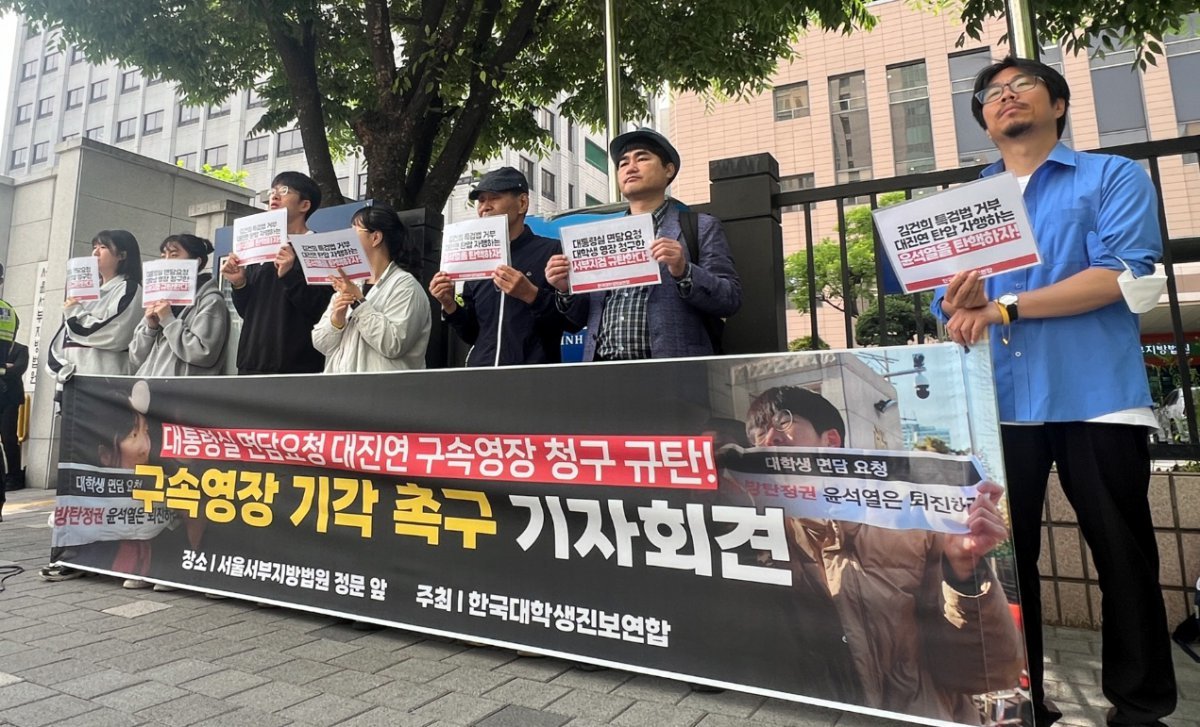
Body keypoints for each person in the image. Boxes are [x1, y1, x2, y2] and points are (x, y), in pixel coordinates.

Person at [933, 56, 1177, 727]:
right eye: (991, 94)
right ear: (983, 119)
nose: (1005, 98)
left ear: (1060, 104)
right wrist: (959, 301)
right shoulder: (967, 205)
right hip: (1001, 406)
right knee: (1006, 559)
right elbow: (944, 309)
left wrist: (1005, 306)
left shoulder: (1113, 177)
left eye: (1022, 87)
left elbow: (1127, 276)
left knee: (1121, 552)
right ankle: (1021, 700)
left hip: (1096, 394)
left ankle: (1140, 706)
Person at [743, 385, 1023, 723]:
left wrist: (965, 571)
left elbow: (989, 673)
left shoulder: (918, 522)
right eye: (757, 435)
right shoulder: (756, 532)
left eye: (783, 422)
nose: (769, 439)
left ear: (831, 441)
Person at [545, 128, 740, 360]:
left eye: (642, 158)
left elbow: (729, 299)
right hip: (604, 373)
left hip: (673, 374)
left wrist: (684, 271)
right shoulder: (602, 238)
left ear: (669, 170)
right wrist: (566, 289)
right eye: (623, 163)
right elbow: (580, 318)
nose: (630, 167)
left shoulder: (700, 227)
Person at [429, 167, 574, 365]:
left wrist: (531, 294)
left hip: (534, 380)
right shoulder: (475, 260)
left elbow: (573, 321)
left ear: (522, 203)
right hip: (483, 378)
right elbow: (474, 334)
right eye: (481, 200)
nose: (485, 207)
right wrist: (449, 304)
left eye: (494, 197)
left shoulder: (552, 251)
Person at [221, 171, 332, 375]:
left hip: (297, 367)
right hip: (251, 362)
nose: (274, 196)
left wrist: (290, 275)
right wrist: (239, 284)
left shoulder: (317, 248)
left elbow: (321, 309)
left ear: (304, 205)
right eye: (272, 191)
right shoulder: (257, 249)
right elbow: (248, 311)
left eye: (284, 191)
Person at [312, 203, 430, 372]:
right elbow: (320, 343)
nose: (347, 239)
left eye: (354, 231)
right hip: (342, 390)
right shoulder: (351, 284)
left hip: (383, 392)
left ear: (376, 237)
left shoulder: (405, 285)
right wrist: (336, 320)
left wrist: (359, 303)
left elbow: (393, 344)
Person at [47, 230, 144, 381]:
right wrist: (62, 369)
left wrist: (75, 313)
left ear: (122, 255)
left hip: (106, 384)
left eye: (103, 247)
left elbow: (115, 334)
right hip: (73, 383)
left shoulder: (129, 289)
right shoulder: (86, 293)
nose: (95, 252)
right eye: (94, 247)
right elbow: (62, 339)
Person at [130, 234, 229, 377]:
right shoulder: (159, 299)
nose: (166, 261)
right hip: (152, 388)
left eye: (174, 255)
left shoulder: (211, 300)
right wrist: (150, 328)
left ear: (196, 261)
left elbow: (203, 353)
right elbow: (135, 357)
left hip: (181, 393)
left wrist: (169, 321)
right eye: (163, 256)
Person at [2, 316, 28, 492]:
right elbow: (10, 370)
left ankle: (15, 476)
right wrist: (5, 368)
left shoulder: (20, 349)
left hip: (10, 399)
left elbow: (19, 369)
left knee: (8, 438)